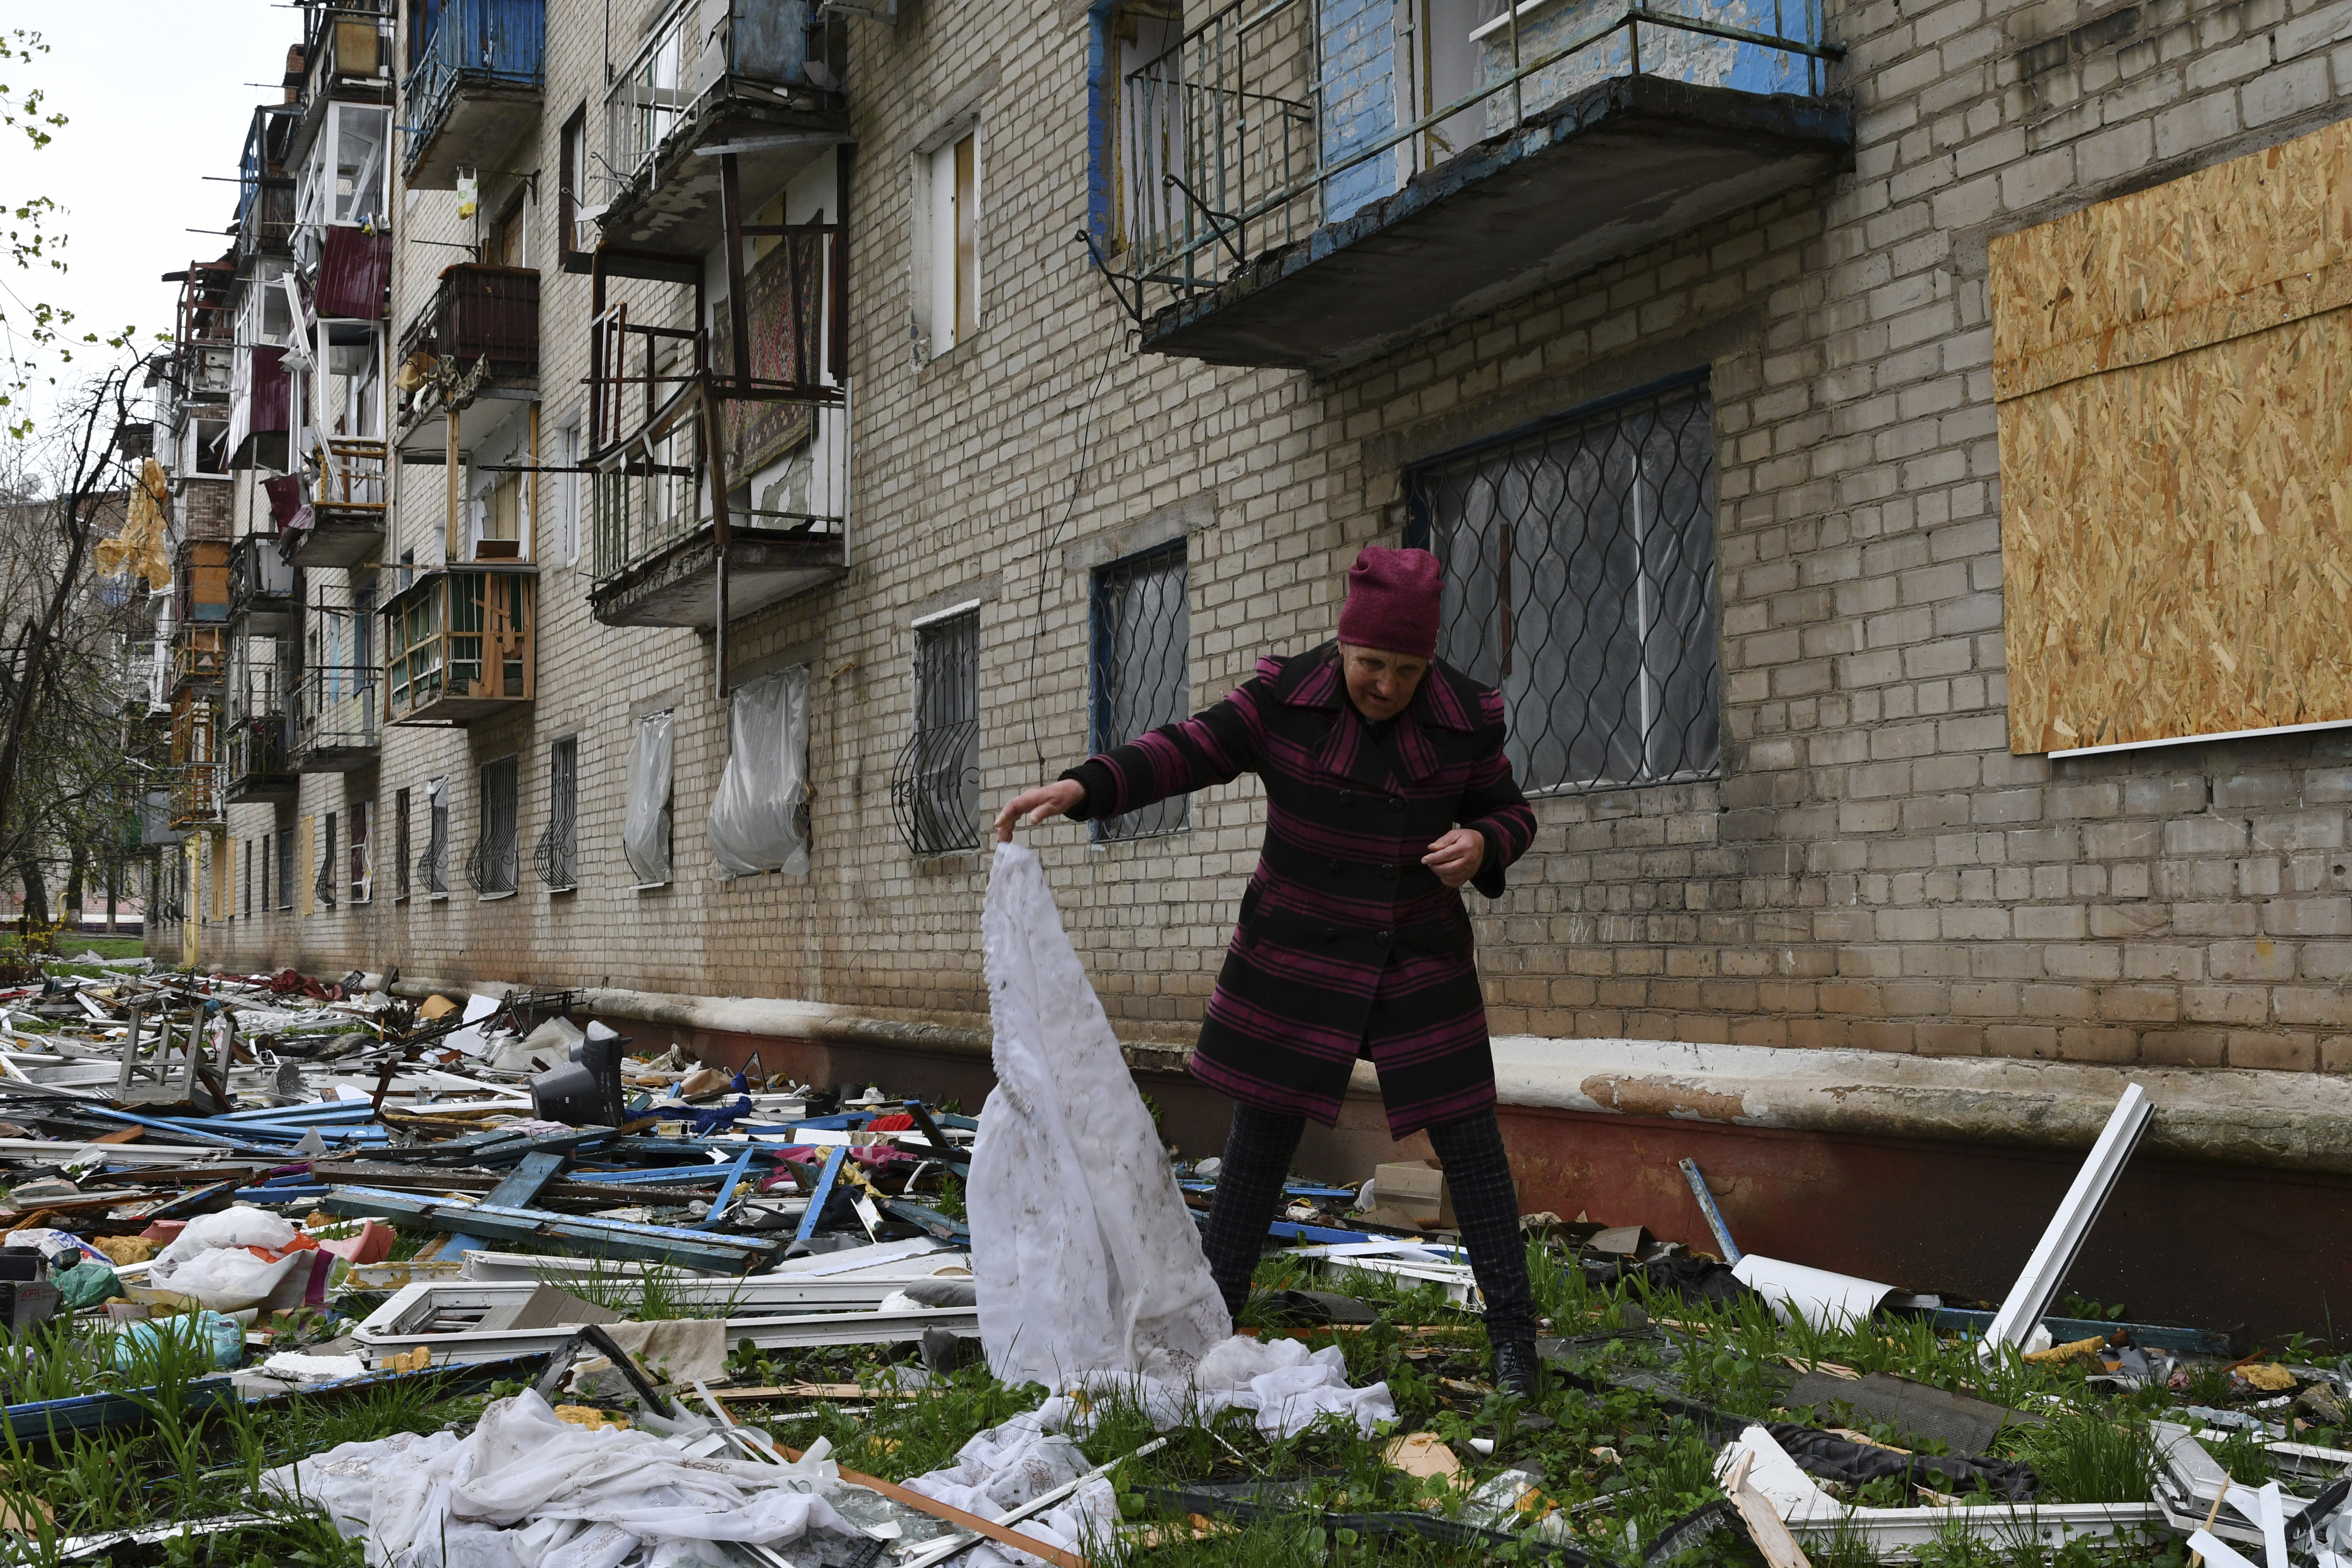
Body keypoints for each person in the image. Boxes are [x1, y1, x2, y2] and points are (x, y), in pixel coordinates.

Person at [994, 546, 1546, 1396]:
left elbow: (1509, 809)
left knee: (1472, 1146)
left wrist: (1485, 842)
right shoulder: (1285, 700)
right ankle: (1210, 1329)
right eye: (1372, 664)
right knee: (1258, 1148)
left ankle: (1516, 1347)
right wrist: (1082, 787)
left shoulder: (1465, 717)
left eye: (1406, 668)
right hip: (1299, 953)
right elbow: (1186, 749)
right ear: (1343, 644)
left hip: (1417, 957)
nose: (1387, 684)